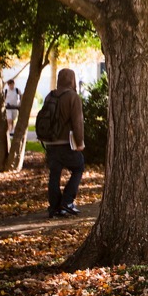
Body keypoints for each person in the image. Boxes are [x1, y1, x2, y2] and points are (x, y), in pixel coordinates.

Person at [40, 68, 85, 218]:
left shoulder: (50, 96)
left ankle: (54, 207)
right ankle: (67, 201)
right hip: (66, 143)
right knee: (79, 166)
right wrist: (80, 142)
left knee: (54, 174)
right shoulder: (73, 97)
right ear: (72, 80)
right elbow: (77, 122)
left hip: (51, 144)